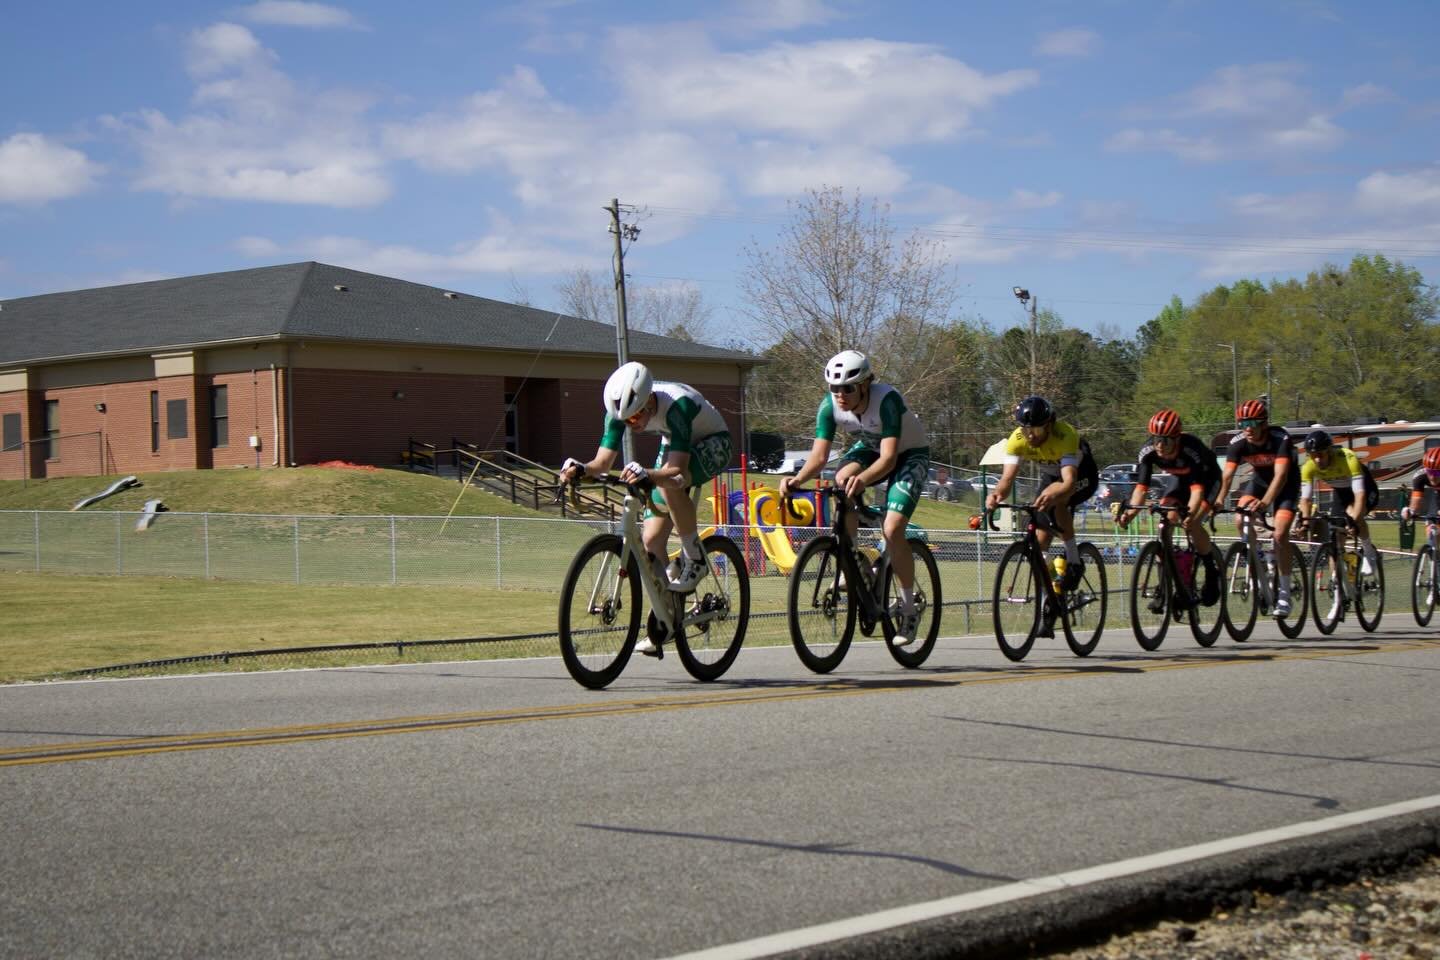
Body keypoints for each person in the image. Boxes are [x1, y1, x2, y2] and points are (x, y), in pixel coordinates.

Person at [559, 361, 733, 656]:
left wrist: (648, 475)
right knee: (651, 541)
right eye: (626, 420)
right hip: (675, 440)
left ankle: (695, 558)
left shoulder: (677, 405)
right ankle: (667, 617)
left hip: (713, 441)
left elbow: (676, 470)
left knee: (669, 482)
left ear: (648, 399)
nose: (633, 423)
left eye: (637, 415)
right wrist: (579, 468)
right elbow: (601, 464)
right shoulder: (619, 412)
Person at [778, 350, 930, 647]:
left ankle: (909, 608)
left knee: (893, 528)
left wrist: (862, 480)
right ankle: (853, 558)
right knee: (840, 480)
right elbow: (819, 457)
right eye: (834, 388)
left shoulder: (886, 400)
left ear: (865, 385)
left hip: (908, 455)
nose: (840, 395)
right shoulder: (829, 406)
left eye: (847, 388)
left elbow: (888, 460)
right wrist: (797, 480)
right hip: (871, 449)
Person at [984, 395, 1099, 598]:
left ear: (1049, 425)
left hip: (1080, 474)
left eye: (1036, 430)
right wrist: (996, 495)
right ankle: (1049, 597)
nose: (1030, 436)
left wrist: (1055, 493)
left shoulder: (1065, 435)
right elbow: (1007, 480)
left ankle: (1074, 560)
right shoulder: (1016, 441)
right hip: (1052, 474)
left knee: (1059, 501)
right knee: (1039, 542)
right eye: (1025, 430)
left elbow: (1068, 482)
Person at [1117, 409, 1224, 605]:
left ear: (1177, 439)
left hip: (1207, 480)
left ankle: (1211, 570)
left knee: (1192, 523)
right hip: (1179, 479)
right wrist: (1130, 514)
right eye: (1156, 438)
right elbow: (1141, 489)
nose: (1159, 445)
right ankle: (1166, 584)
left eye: (1165, 440)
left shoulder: (1191, 450)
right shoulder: (1148, 452)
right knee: (1167, 520)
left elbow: (1197, 493)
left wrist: (1191, 515)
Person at [1212, 398, 1301, 618]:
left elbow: (1281, 476)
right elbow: (1228, 475)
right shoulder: (1239, 442)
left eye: (1252, 423)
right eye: (1243, 424)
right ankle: (1258, 560)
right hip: (1259, 482)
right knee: (1240, 519)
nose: (1248, 428)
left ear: (1264, 423)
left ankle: (1284, 593)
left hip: (1286, 485)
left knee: (1280, 534)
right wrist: (1219, 499)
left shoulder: (1280, 438)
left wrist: (1265, 502)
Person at [1295, 429, 1380, 574]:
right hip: (1341, 493)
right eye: (1313, 455)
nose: (1317, 460)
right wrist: (1305, 523)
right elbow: (1306, 499)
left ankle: (1369, 552)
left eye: (1320, 454)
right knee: (1336, 537)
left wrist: (1354, 521)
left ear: (1329, 451)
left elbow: (1359, 495)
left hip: (1364, 488)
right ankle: (1337, 583)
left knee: (1354, 516)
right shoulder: (1308, 467)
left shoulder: (1347, 458)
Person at [1401, 446, 1440, 530]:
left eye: (1437, 472)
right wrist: (1410, 512)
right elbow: (1416, 502)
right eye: (1430, 471)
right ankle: (1432, 542)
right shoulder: (1420, 476)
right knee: (1432, 525)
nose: (1432, 477)